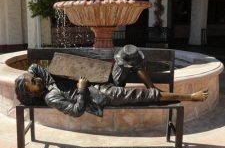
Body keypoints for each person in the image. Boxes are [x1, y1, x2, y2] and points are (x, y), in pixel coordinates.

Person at [15, 53, 208, 118]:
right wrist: (81, 89)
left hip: (101, 81)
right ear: (31, 92)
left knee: (127, 54)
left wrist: (31, 74)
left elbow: (33, 67)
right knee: (142, 96)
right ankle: (191, 97)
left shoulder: (46, 80)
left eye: (33, 78)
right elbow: (76, 111)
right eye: (33, 82)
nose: (36, 79)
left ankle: (153, 88)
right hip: (101, 95)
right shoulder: (51, 97)